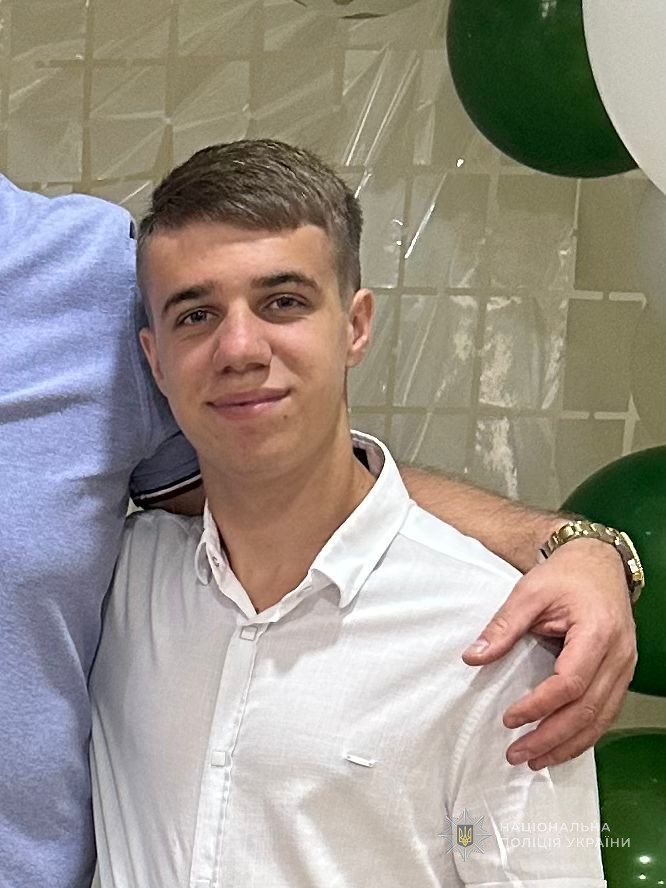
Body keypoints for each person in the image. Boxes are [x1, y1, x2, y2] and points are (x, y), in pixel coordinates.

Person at [0, 153, 632, 888]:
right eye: (197, 315)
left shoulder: (496, 643)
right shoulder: (134, 587)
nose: (240, 348)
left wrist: (575, 545)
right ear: (156, 360)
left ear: (356, 326)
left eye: (283, 303)